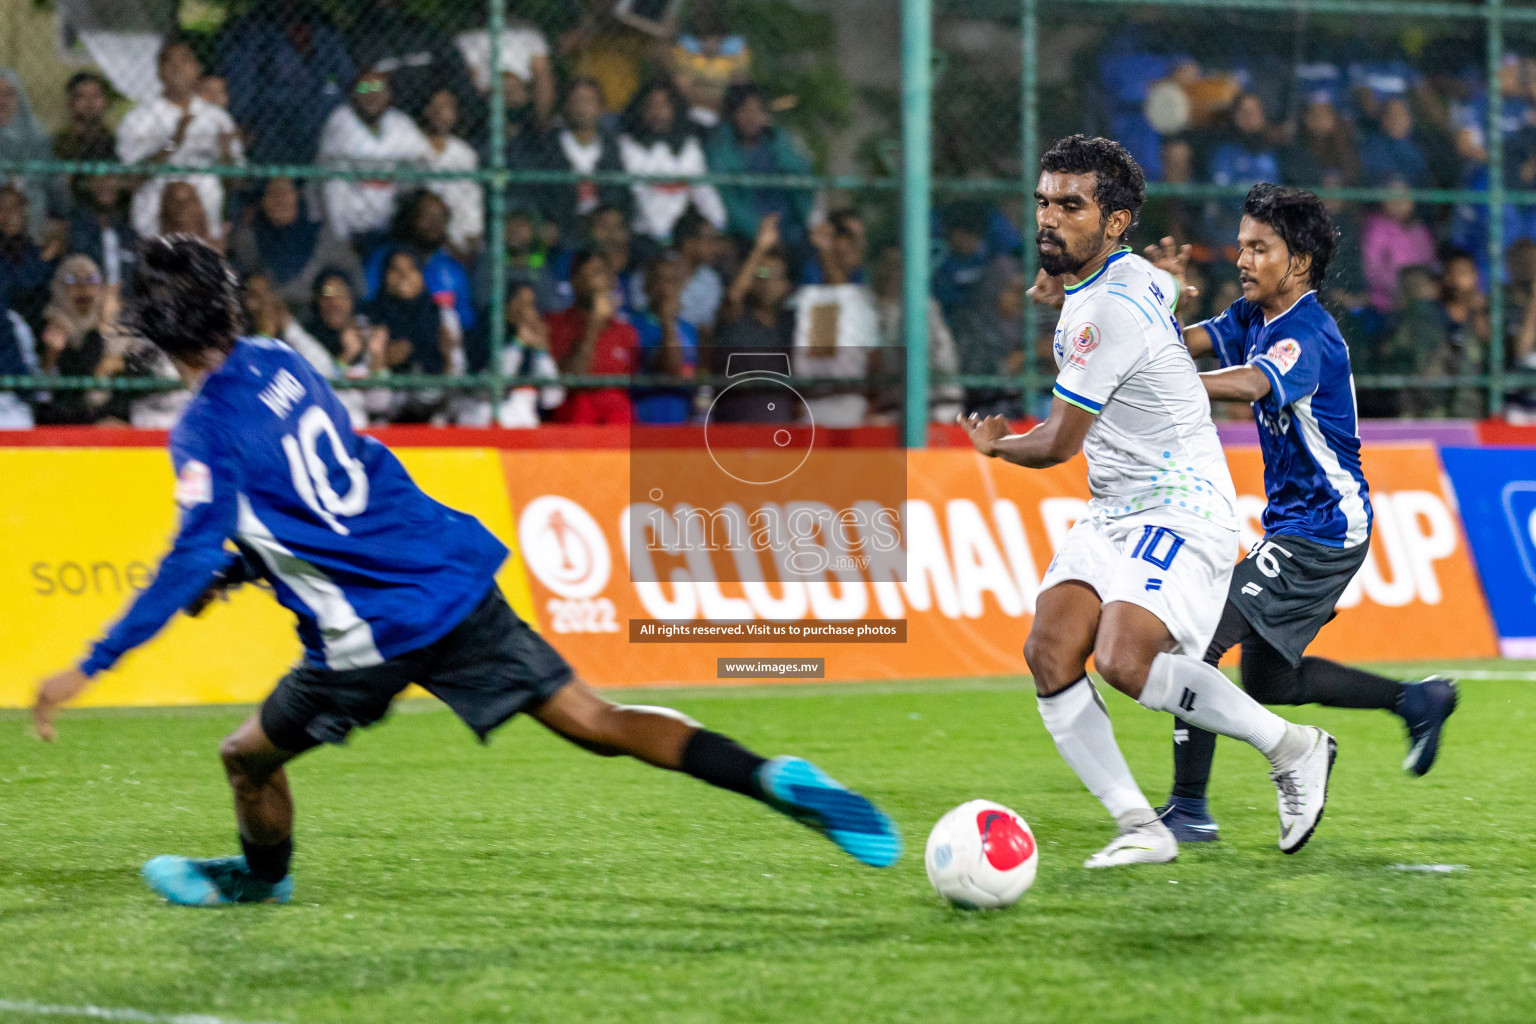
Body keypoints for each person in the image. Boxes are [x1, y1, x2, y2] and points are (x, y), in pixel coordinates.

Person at [31, 235, 900, 906]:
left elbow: (191, 553)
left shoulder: (202, 431)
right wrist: (247, 570)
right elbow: (323, 488)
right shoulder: (285, 363)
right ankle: (765, 775)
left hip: (366, 636)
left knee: (246, 758)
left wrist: (89, 665)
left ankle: (263, 881)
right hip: (444, 578)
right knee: (596, 717)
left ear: (153, 329)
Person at [957, 136, 1335, 869]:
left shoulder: (1110, 312)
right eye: (1043, 201)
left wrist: (998, 446)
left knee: (1124, 658)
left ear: (1116, 221)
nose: (1050, 218)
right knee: (1049, 650)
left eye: (1072, 205)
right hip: (1116, 504)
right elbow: (1154, 289)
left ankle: (1292, 746)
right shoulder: (1129, 278)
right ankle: (1140, 825)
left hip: (1180, 501)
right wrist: (1159, 280)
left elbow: (1059, 444)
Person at [1144, 186, 1459, 843]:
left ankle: (1188, 809)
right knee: (1272, 681)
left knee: (1198, 637)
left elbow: (1254, 382)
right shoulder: (1252, 313)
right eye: (1242, 245)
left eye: (1261, 248)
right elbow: (1179, 345)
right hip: (1298, 525)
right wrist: (1158, 304)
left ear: (1301, 262)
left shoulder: (1306, 333)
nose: (1243, 258)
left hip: (1325, 527)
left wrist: (1169, 384)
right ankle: (1417, 701)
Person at [116, 39, 243, 243]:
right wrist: (172, 144)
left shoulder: (217, 118)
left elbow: (236, 182)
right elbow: (129, 180)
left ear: (197, 69)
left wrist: (226, 152)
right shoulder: (138, 118)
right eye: (169, 62)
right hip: (152, 228)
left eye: (185, 61)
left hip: (207, 230)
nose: (177, 68)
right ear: (159, 72)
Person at [217, 0, 355, 165]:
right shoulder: (251, 28)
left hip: (321, 117)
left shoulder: (324, 26)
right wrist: (243, 120)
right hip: (271, 122)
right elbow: (241, 80)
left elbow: (346, 77)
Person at [317, 72, 432, 246]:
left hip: (393, 222)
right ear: (354, 94)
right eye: (364, 87)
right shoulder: (341, 120)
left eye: (379, 87)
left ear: (389, 94)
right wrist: (340, 235)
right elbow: (333, 184)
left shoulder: (398, 122)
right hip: (353, 228)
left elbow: (424, 157)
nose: (372, 93)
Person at [228, 177, 362, 323]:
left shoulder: (324, 236)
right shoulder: (247, 238)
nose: (280, 200)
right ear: (262, 201)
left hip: (317, 320)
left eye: (286, 192)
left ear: (298, 196)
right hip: (262, 318)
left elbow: (355, 282)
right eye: (272, 193)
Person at [706, 83, 815, 251]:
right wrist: (760, 232)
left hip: (788, 233)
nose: (752, 117)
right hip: (744, 236)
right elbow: (728, 202)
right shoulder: (720, 149)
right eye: (745, 111)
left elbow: (802, 183)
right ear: (733, 114)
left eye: (758, 111)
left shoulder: (780, 142)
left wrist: (777, 141)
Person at [713, 214, 798, 424]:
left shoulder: (790, 323)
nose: (768, 283)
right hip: (736, 410)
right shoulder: (736, 317)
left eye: (776, 277)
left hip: (778, 413)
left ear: (786, 286)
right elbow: (734, 296)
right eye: (762, 275)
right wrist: (760, 248)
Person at [618, 79, 726, 243]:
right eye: (651, 106)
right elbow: (640, 194)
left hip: (684, 235)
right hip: (645, 235)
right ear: (640, 109)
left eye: (664, 105)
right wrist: (663, 237)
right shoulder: (627, 145)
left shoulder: (689, 145)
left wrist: (717, 225)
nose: (658, 113)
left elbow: (703, 190)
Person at [546, 250, 637, 424]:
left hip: (618, 427)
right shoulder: (556, 325)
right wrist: (593, 325)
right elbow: (571, 378)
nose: (595, 282)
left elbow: (629, 386)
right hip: (576, 422)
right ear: (574, 281)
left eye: (599, 273)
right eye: (586, 274)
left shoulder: (626, 332)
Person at [632, 251, 697, 424]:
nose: (665, 288)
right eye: (659, 280)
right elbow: (670, 367)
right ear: (646, 285)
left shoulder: (689, 330)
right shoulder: (632, 326)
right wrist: (667, 321)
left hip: (681, 421)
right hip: (645, 420)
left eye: (672, 281)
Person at [419, 89, 484, 259]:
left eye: (447, 107)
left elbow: (471, 198)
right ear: (426, 110)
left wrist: (472, 235)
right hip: (422, 238)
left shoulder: (465, 153)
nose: (441, 113)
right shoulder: (413, 147)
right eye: (436, 106)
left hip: (459, 239)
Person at [0, 68, 53, 238]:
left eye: (9, 94)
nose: (3, 101)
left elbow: (45, 175)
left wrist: (20, 184)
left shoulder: (35, 133)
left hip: (29, 209)